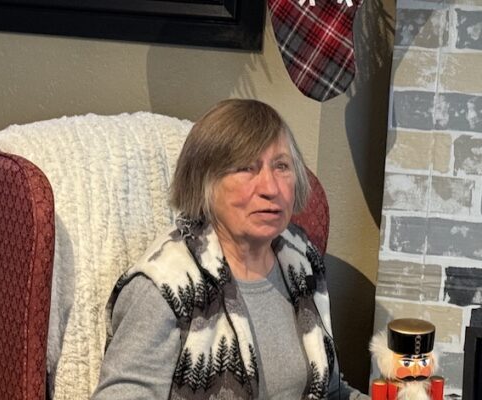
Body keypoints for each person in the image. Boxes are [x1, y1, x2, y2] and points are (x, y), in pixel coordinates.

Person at [92, 99, 368, 399]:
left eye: (281, 166)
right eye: (246, 168)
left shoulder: (301, 259)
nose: (271, 188)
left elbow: (330, 390)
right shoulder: (163, 287)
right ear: (204, 182)